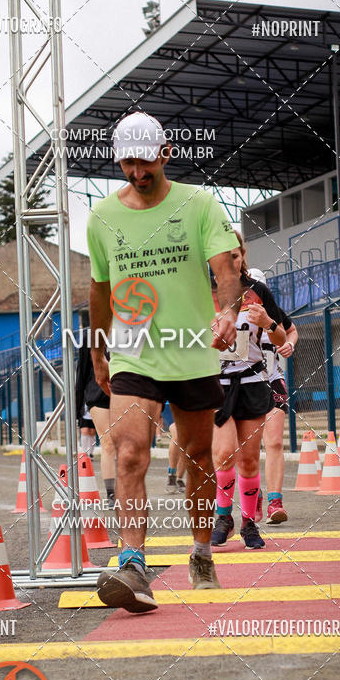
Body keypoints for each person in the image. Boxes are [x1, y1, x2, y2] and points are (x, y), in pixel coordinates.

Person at [88, 111, 241, 612]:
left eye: (145, 163)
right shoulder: (102, 218)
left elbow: (226, 267)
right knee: (129, 451)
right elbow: (100, 287)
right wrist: (97, 347)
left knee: (197, 459)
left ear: (165, 154)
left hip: (194, 350)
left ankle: (200, 551)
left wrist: (227, 312)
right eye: (127, 164)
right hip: (134, 351)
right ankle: (132, 564)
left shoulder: (198, 204)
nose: (137, 174)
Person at [211, 237, 287, 549]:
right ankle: (223, 515)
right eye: (224, 257)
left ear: (243, 256)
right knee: (224, 453)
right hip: (216, 384)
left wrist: (268, 322)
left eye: (236, 255)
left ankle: (249, 522)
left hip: (253, 382)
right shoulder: (204, 295)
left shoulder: (259, 291)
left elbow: (281, 336)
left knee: (250, 460)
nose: (232, 262)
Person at [248, 267, 299, 524]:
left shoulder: (273, 314)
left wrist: (290, 343)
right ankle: (253, 496)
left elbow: (291, 329)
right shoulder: (230, 312)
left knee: (275, 442)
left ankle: (275, 503)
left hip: (272, 380)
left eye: (258, 291)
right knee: (248, 447)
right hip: (244, 384)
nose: (253, 298)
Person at [76, 341, 116, 505]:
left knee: (129, 445)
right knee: (108, 443)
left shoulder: (130, 333)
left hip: (125, 394)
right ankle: (112, 493)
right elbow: (82, 375)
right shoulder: (89, 340)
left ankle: (129, 489)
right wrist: (77, 410)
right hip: (98, 397)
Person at [156, 402, 186, 493]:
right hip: (169, 402)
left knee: (187, 440)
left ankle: (179, 478)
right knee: (177, 433)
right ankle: (172, 476)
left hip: (190, 401)